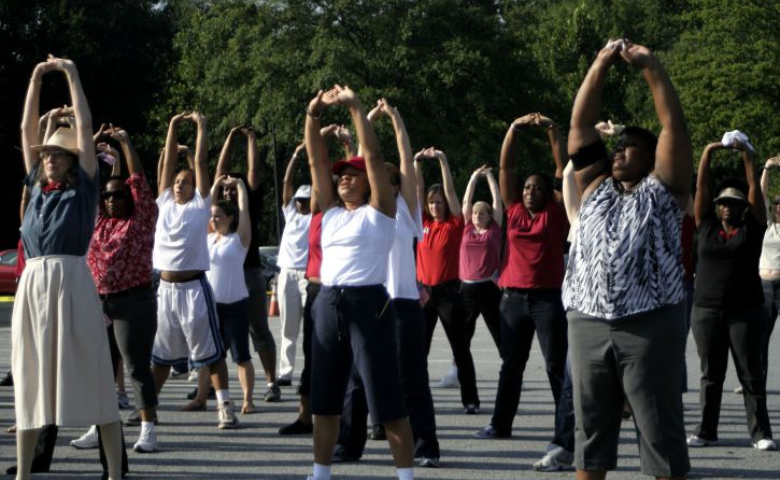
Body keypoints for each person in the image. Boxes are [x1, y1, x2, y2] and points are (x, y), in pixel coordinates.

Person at [564, 40, 692, 479]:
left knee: (660, 436)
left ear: (654, 155)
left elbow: (672, 124)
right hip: (587, 320)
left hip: (651, 321)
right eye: (617, 145)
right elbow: (580, 126)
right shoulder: (595, 187)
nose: (619, 150)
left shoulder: (666, 188)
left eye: (631, 145)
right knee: (591, 439)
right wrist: (598, 64)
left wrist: (651, 67)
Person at [14, 55, 124, 479]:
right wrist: (36, 78)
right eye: (47, 155)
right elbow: (27, 131)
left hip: (73, 281)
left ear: (74, 158)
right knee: (29, 381)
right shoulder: (37, 188)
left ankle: (115, 473)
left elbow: (83, 122)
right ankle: (24, 473)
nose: (50, 158)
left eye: (59, 154)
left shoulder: (86, 188)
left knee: (96, 378)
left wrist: (72, 74)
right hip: (34, 284)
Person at [305, 85, 414, 480]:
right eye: (342, 177)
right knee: (325, 401)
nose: (345, 180)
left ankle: (406, 476)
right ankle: (320, 473)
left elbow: (373, 156)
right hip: (328, 303)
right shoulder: (330, 213)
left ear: (369, 183)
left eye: (353, 176)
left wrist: (355, 107)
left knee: (387, 401)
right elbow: (317, 162)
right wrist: (313, 114)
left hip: (370, 305)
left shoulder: (381, 211)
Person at [332, 99, 441, 468]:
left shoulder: (406, 211)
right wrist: (367, 118)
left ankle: (426, 444)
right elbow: (364, 163)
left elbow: (405, 162)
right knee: (357, 380)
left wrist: (395, 120)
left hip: (404, 304)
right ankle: (349, 444)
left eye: (392, 181)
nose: (386, 182)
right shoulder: (368, 212)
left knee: (412, 379)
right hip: (370, 302)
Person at [474, 112, 568, 440]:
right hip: (512, 298)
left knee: (557, 367)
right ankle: (500, 425)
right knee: (511, 366)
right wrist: (512, 128)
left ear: (547, 193)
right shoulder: (513, 209)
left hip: (547, 299)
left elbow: (562, 171)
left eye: (537, 188)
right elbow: (506, 169)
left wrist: (552, 129)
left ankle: (566, 430)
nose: (530, 191)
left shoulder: (556, 212)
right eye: (527, 187)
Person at [150, 111, 238, 429]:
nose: (179, 185)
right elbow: (167, 163)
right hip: (165, 289)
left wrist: (201, 127)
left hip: (193, 289)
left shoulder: (200, 206)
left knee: (211, 353)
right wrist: (172, 126)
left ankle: (224, 407)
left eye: (185, 183)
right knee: (160, 355)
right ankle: (148, 408)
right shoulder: (163, 202)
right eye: (177, 182)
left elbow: (200, 162)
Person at [688, 139, 776, 451]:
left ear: (742, 207)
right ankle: (706, 431)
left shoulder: (753, 228)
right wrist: (707, 155)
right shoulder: (707, 225)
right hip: (706, 311)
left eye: (734, 202)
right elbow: (700, 189)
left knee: (751, 374)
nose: (727, 205)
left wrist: (747, 156)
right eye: (723, 201)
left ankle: (760, 433)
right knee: (710, 375)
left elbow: (754, 190)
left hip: (746, 311)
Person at [85, 125, 159, 452]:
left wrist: (126, 142)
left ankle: (148, 429)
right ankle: (98, 427)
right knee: (100, 369)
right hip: (101, 304)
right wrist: (88, 146)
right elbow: (86, 184)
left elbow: (139, 182)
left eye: (119, 194)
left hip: (133, 302)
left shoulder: (140, 220)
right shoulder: (99, 222)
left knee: (136, 367)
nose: (112, 199)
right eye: (108, 195)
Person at [279, 125, 353, 436]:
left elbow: (358, 172)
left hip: (342, 291)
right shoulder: (315, 214)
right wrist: (317, 136)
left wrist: (349, 145)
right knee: (313, 355)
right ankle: (304, 417)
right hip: (314, 290)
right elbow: (316, 164)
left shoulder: (349, 214)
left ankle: (354, 421)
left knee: (349, 359)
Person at [214, 126, 280, 402]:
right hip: (222, 277)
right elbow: (219, 174)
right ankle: (211, 387)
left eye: (233, 188)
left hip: (249, 273)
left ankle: (271, 382)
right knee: (217, 335)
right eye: (225, 189)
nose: (228, 192)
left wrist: (251, 139)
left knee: (258, 329)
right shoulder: (216, 212)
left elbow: (253, 174)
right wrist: (229, 138)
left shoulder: (246, 206)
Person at [415, 147, 480, 413]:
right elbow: (416, 193)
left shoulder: (454, 225)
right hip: (425, 294)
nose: (434, 205)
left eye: (438, 201)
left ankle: (471, 400)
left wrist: (442, 159)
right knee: (419, 351)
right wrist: (416, 163)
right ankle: (417, 398)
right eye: (432, 202)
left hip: (450, 294)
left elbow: (452, 193)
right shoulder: (421, 223)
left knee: (460, 348)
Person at [207, 176, 256, 414]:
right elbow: (205, 207)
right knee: (211, 355)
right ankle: (202, 396)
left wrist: (239, 186)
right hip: (211, 306)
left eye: (218, 216)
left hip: (235, 306)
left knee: (241, 356)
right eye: (212, 216)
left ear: (230, 218)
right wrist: (215, 185)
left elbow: (245, 209)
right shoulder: (207, 239)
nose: (214, 220)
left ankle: (248, 399)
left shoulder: (239, 240)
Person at [277, 146, 313, 386]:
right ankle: (285, 373)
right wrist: (296, 155)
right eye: (299, 200)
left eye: (305, 200)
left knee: (312, 329)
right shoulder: (290, 213)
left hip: (308, 276)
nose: (300, 203)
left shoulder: (316, 216)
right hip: (286, 274)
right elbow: (286, 181)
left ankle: (311, 372)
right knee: (288, 329)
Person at [459, 165, 503, 353]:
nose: (477, 216)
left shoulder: (494, 229)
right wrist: (474, 176)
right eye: (475, 213)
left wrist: (490, 177)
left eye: (482, 213)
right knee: (463, 334)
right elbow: (467, 200)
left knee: (499, 329)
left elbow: (497, 201)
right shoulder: (467, 227)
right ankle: (457, 369)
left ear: (489, 216)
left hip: (489, 287)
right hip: (467, 288)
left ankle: (509, 369)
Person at [759, 154, 780, 387]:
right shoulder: (767, 226)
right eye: (777, 204)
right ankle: (756, 379)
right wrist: (768, 167)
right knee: (760, 338)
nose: (779, 207)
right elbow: (759, 197)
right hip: (764, 285)